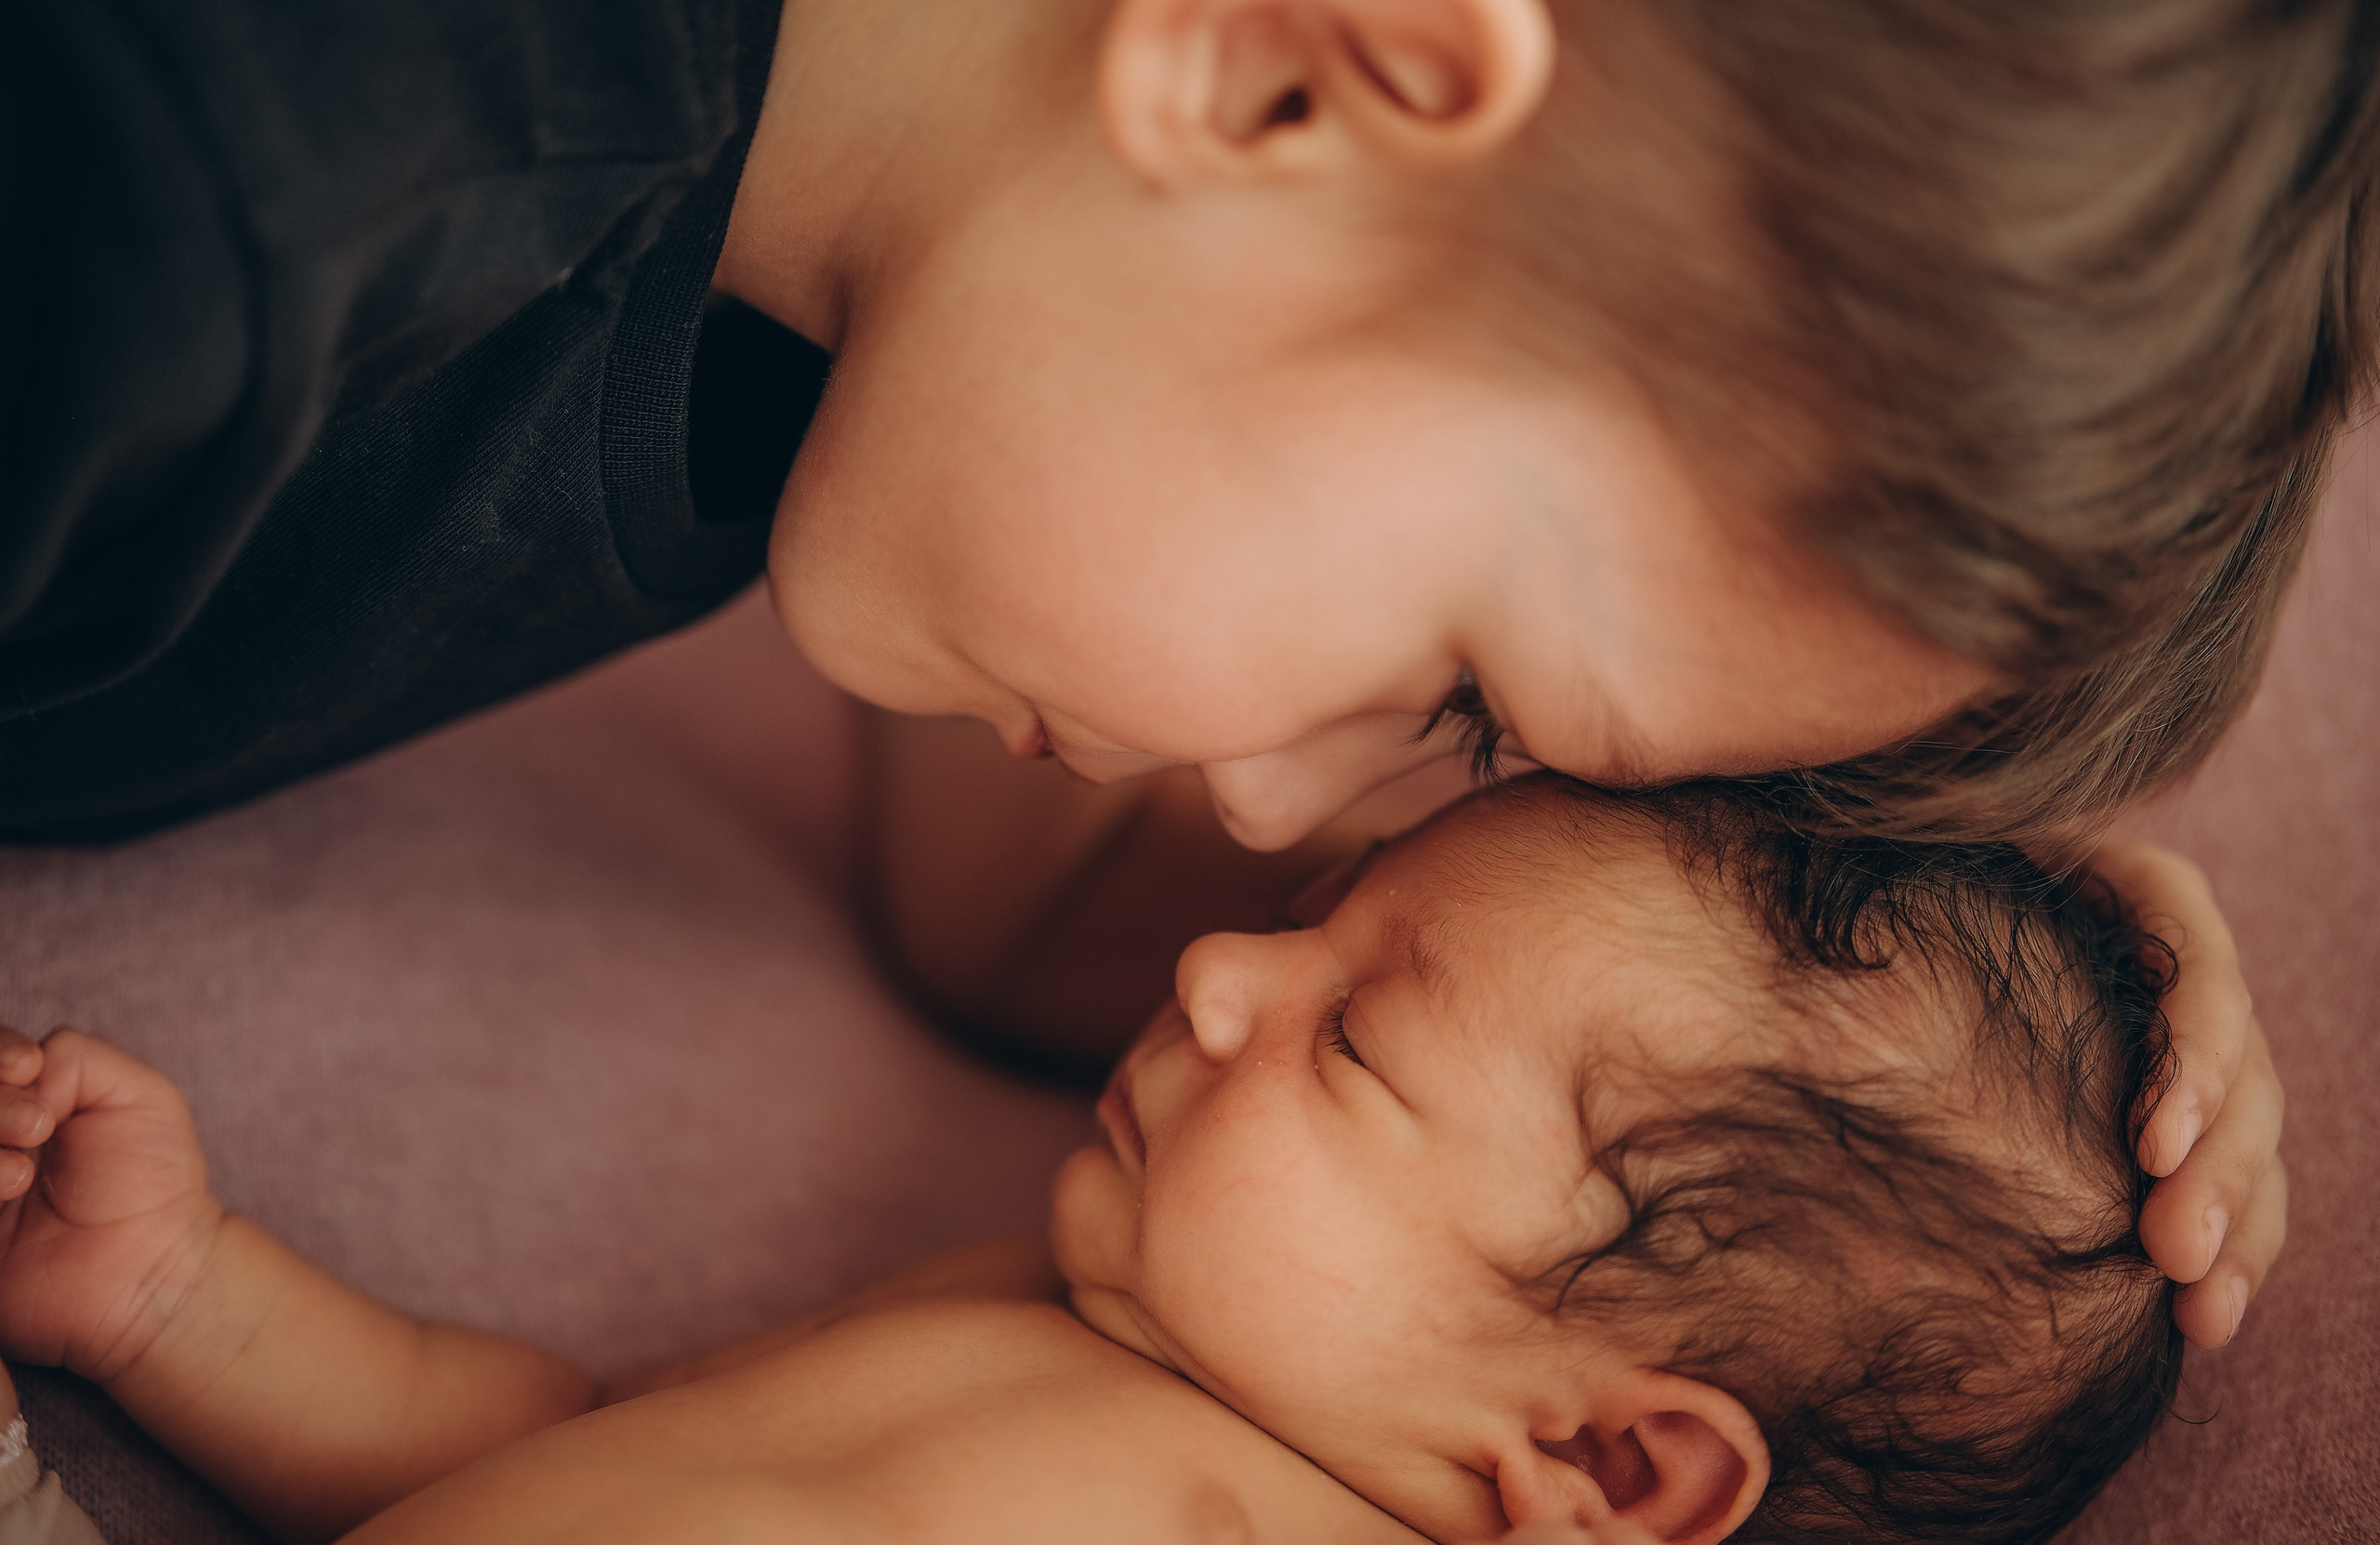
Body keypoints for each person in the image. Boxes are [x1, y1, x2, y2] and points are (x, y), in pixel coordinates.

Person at [7, 0, 2358, 1348]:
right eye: (1464, 682)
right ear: (1281, 81)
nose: (1267, 819)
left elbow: (1005, 913)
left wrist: (1868, 1031)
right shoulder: (181, 189)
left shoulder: (895, 282)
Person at [0, 777, 2191, 1545]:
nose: (1220, 964)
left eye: (1350, 1030)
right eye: (1317, 914)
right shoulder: (1002, 1308)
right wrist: (186, 1296)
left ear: (1601, 1442)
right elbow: (554, 1443)